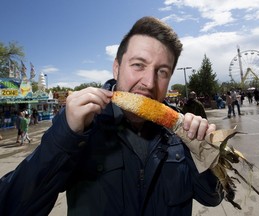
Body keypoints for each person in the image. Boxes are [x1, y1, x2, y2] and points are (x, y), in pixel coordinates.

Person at [0, 16, 223, 215]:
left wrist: (208, 155)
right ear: (116, 68)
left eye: (162, 71)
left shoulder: (182, 131)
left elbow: (211, 198)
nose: (149, 82)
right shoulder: (81, 128)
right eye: (138, 65)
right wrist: (65, 135)